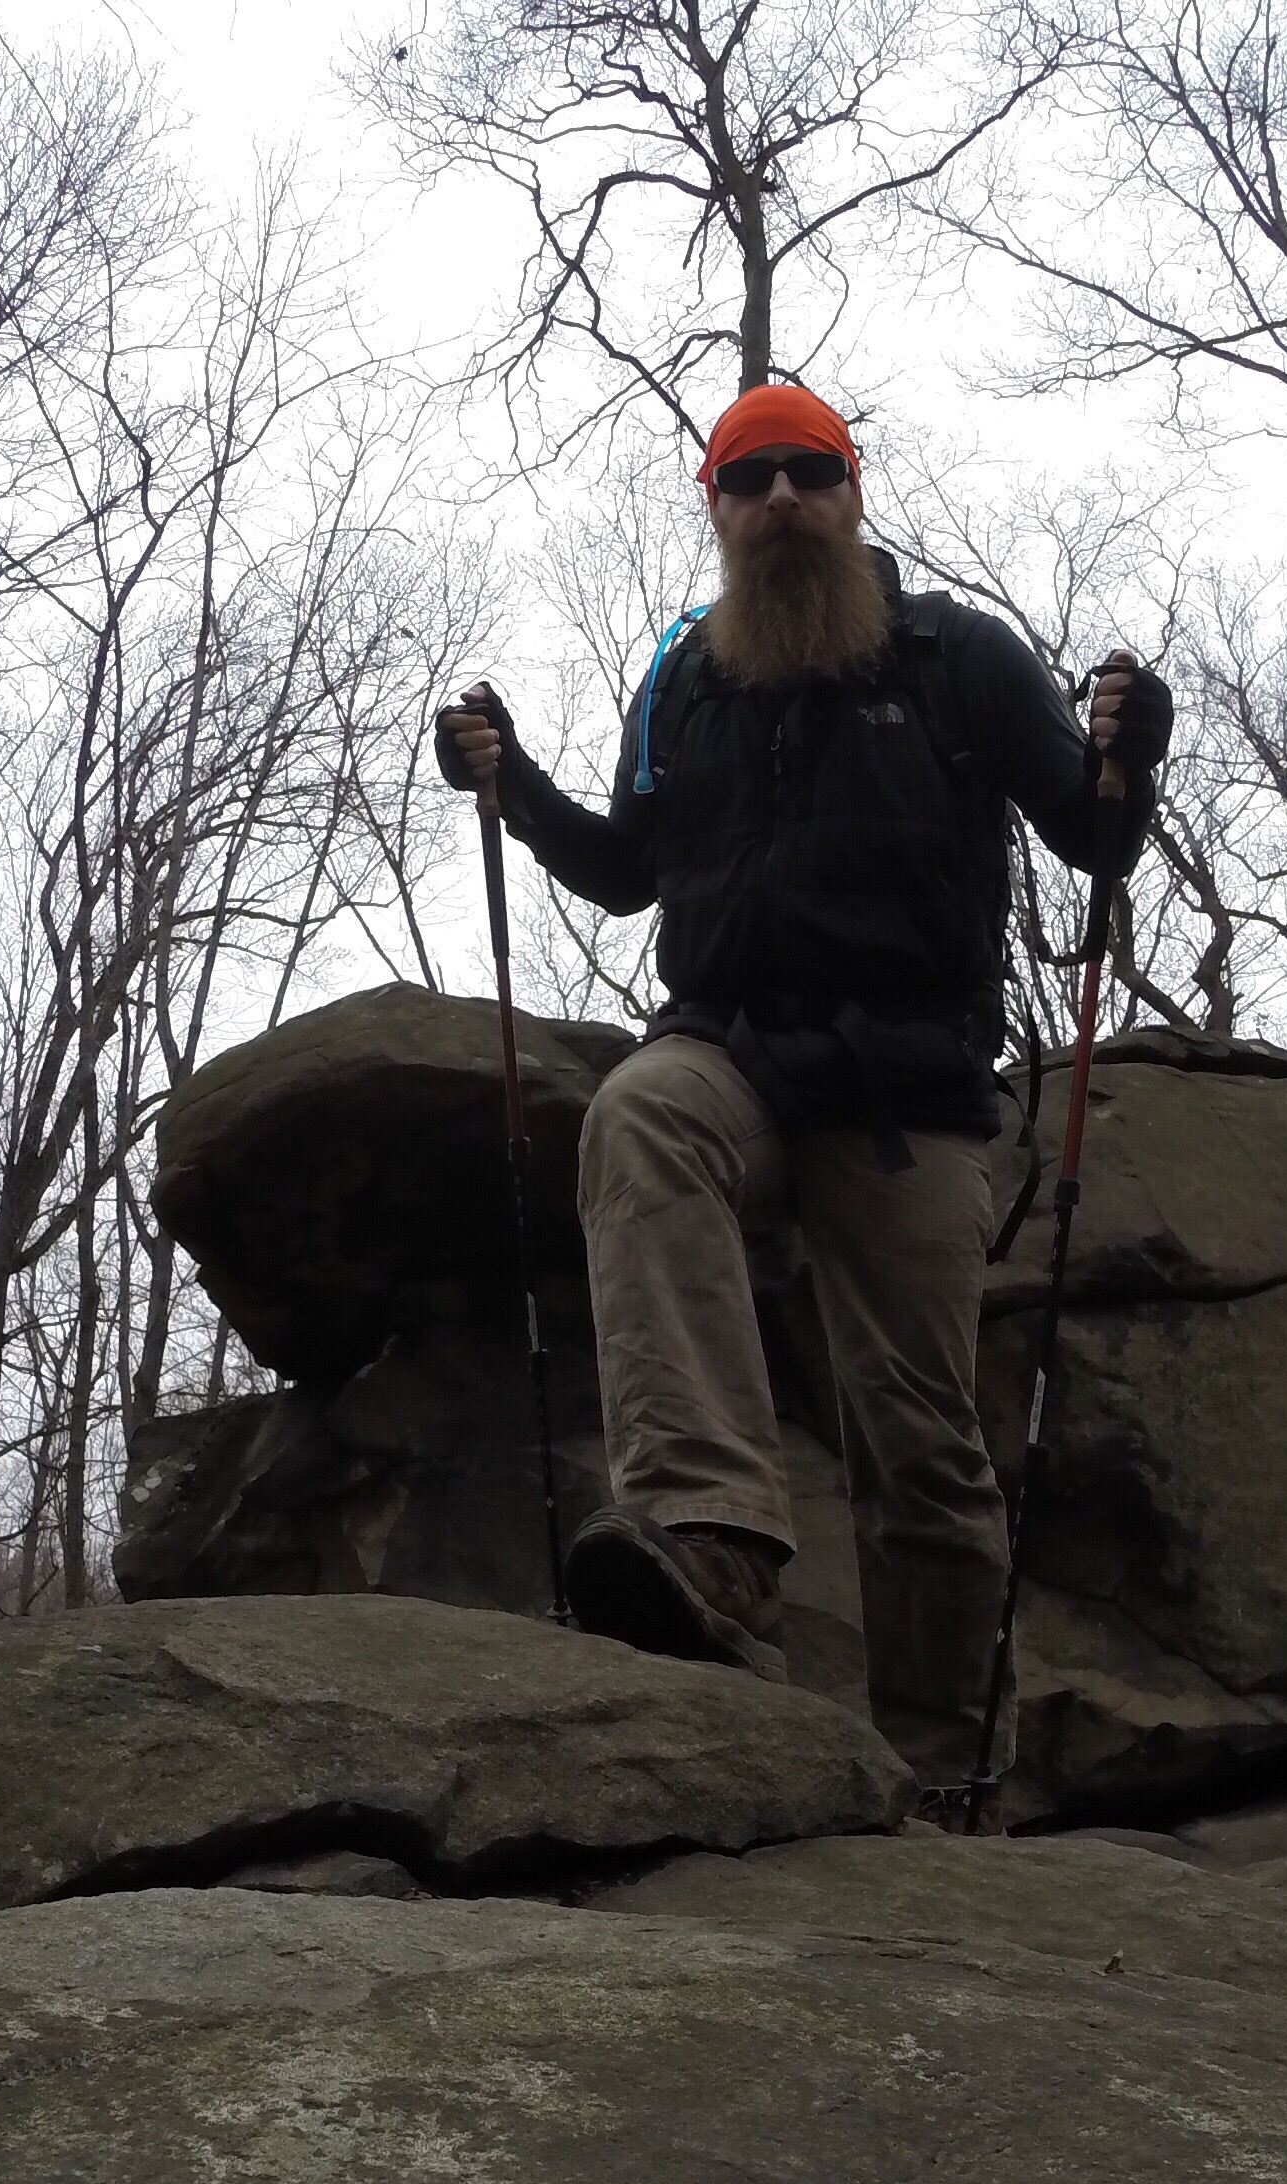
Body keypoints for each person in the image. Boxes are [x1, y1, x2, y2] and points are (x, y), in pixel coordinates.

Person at [437, 379, 1170, 1789]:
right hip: (733, 1054)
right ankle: (712, 1539)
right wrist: (513, 782)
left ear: (852, 492)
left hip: (909, 1088)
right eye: (749, 478)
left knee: (922, 1445)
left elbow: (1092, 837)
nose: (781, 498)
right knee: (641, 1115)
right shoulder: (686, 681)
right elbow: (627, 871)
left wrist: (1132, 756)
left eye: (809, 472)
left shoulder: (958, 655)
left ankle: (941, 1776)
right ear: (714, 509)